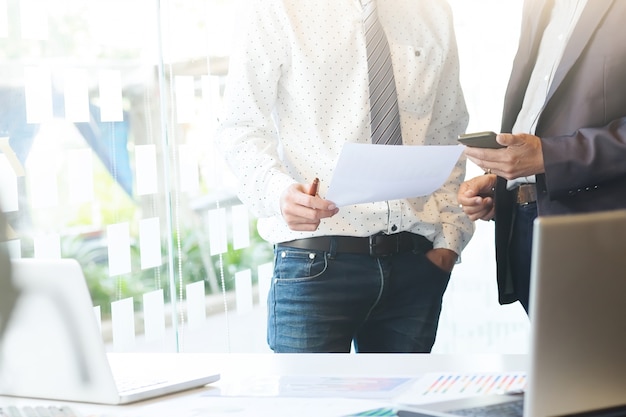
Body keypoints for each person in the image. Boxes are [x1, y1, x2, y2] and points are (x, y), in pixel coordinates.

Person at [216, 0, 473, 353]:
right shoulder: (276, 8)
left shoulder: (431, 11)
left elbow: (447, 130)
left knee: (401, 408)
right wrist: (278, 194)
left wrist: (449, 240)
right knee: (309, 407)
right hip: (316, 262)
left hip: (414, 264)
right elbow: (240, 128)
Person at [457, 0, 626, 314]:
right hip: (525, 225)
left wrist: (551, 157)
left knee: (600, 363)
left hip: (600, 235)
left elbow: (548, 150)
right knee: (558, 362)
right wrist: (511, 179)